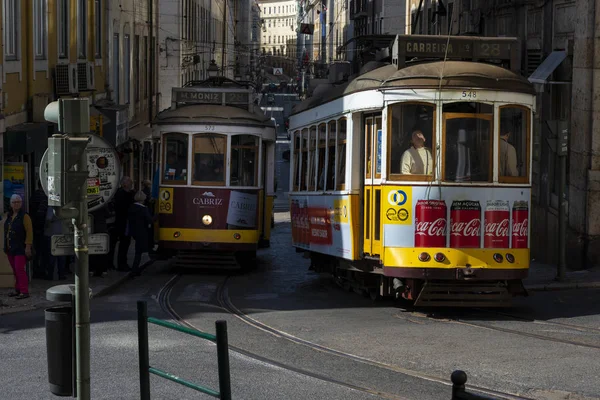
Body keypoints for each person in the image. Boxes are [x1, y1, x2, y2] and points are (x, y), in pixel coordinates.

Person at [3, 194, 33, 299]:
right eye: (14, 202)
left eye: (18, 202)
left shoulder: (25, 216)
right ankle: (18, 289)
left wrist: (28, 246)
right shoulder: (9, 216)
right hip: (10, 248)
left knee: (19, 269)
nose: (16, 204)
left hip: (20, 247)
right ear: (11, 204)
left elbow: (29, 232)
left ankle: (24, 291)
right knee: (15, 270)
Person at [108, 176, 135, 271]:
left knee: (122, 244)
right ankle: (120, 264)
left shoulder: (129, 193)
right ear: (124, 184)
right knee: (121, 244)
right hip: (121, 223)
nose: (131, 183)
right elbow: (124, 208)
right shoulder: (121, 194)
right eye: (129, 182)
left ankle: (118, 263)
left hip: (122, 222)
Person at [126, 191, 153, 276]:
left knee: (138, 250)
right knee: (139, 252)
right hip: (142, 231)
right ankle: (135, 270)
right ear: (143, 200)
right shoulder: (143, 209)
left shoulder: (131, 207)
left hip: (134, 231)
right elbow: (149, 220)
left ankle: (135, 269)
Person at [29, 180, 48, 279]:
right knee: (43, 251)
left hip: (32, 226)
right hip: (41, 228)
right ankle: (41, 271)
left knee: (36, 250)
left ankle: (35, 270)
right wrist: (41, 227)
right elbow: (41, 214)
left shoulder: (33, 196)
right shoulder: (44, 197)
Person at [43, 206, 67, 280]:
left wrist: (45, 227)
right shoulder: (65, 206)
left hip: (52, 233)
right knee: (62, 254)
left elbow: (48, 220)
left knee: (51, 255)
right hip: (63, 233)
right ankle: (61, 274)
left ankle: (50, 275)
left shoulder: (52, 206)